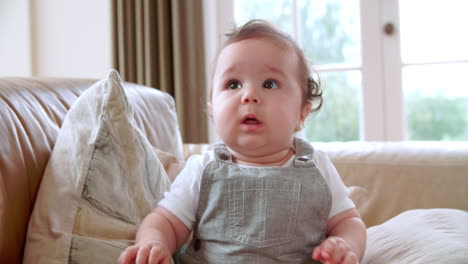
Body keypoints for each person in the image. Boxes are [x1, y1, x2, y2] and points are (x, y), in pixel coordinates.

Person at [118, 19, 366, 264]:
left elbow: (349, 222)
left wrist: (345, 245)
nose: (249, 95)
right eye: (233, 84)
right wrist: (154, 243)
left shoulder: (317, 167)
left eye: (270, 84)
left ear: (301, 114)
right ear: (213, 111)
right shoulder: (203, 169)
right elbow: (166, 222)